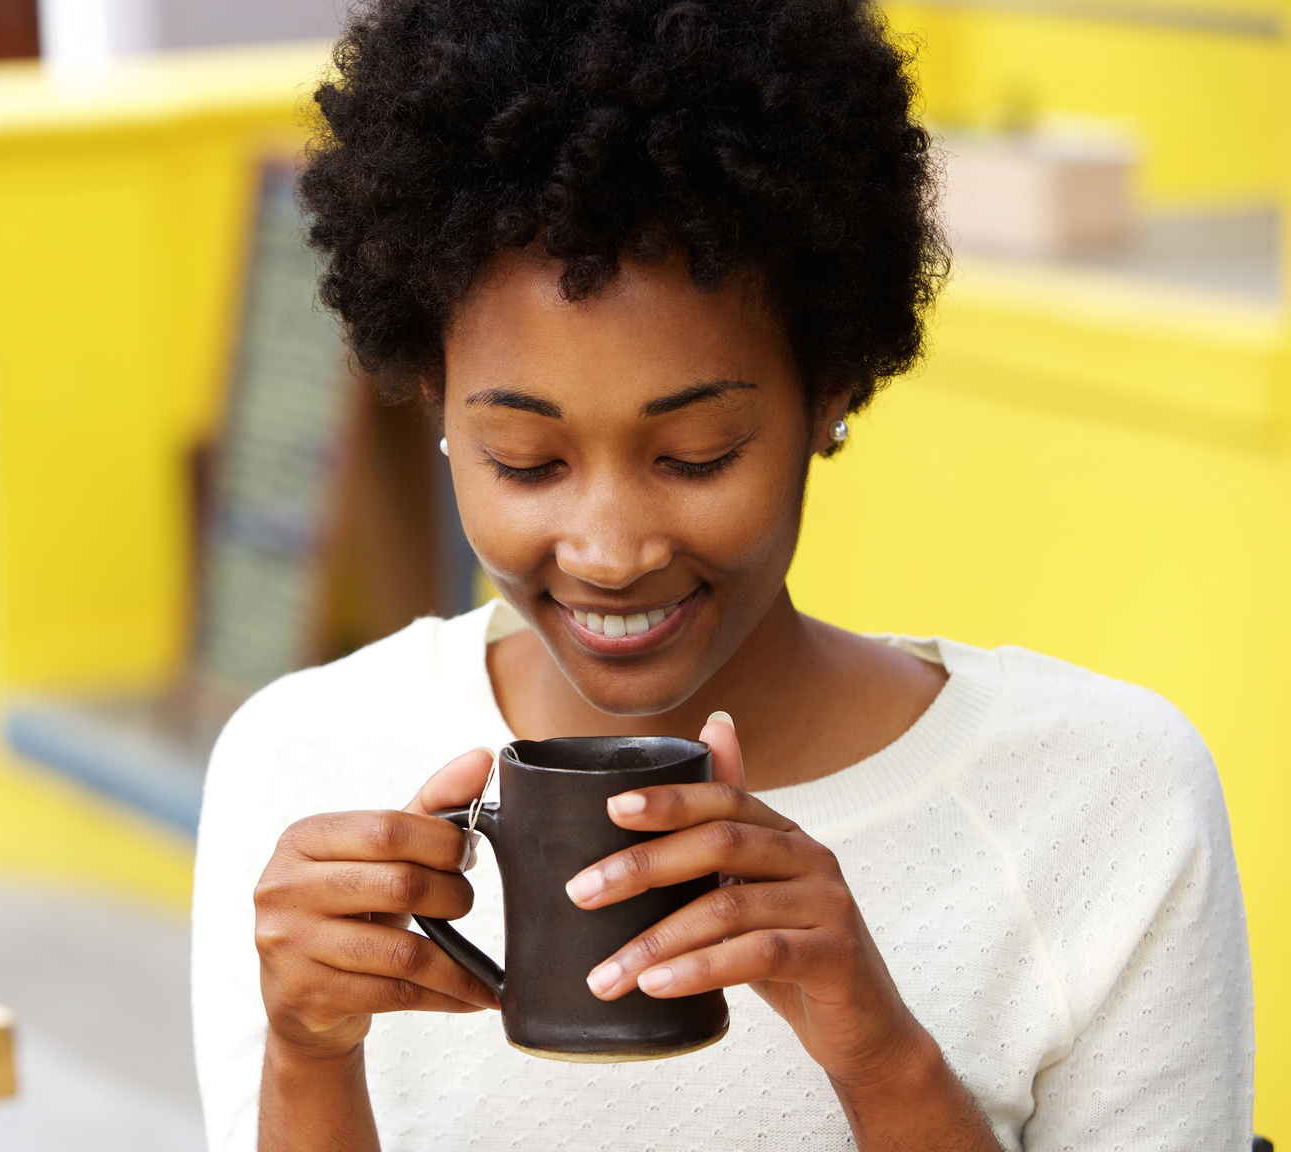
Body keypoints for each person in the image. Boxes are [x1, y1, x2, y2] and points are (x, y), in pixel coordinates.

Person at [189, 1, 1254, 1148]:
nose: (609, 549)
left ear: (830, 390)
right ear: (436, 408)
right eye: (526, 461)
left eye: (696, 456)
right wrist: (308, 1057)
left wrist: (879, 1054)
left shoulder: (1106, 803)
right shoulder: (301, 765)